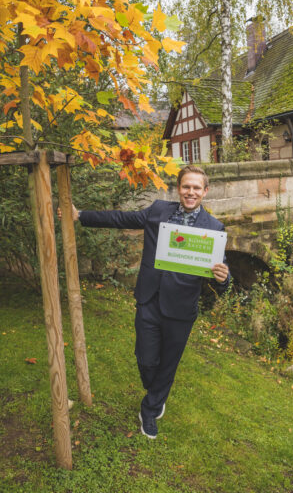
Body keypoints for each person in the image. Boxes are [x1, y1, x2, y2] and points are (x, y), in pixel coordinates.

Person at [60, 164, 229, 439]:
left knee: (169, 364)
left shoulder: (214, 228)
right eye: (186, 186)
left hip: (181, 309)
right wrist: (80, 215)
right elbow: (122, 219)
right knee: (147, 360)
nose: (191, 192)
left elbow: (221, 278)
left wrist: (223, 278)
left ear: (205, 191)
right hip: (149, 300)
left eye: (197, 188)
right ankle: (155, 389)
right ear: (178, 189)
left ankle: (150, 409)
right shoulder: (158, 211)